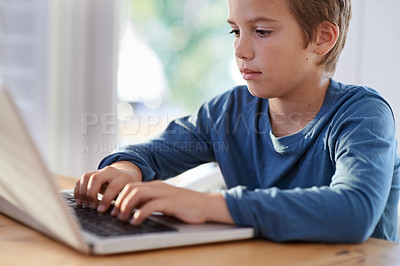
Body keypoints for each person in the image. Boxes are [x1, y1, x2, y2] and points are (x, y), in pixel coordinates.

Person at [74, 0, 400, 243]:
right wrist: (124, 170)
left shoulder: (363, 115)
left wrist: (212, 205)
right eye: (235, 31)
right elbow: (155, 152)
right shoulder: (229, 111)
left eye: (261, 31)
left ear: (322, 38)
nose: (241, 50)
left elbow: (353, 212)